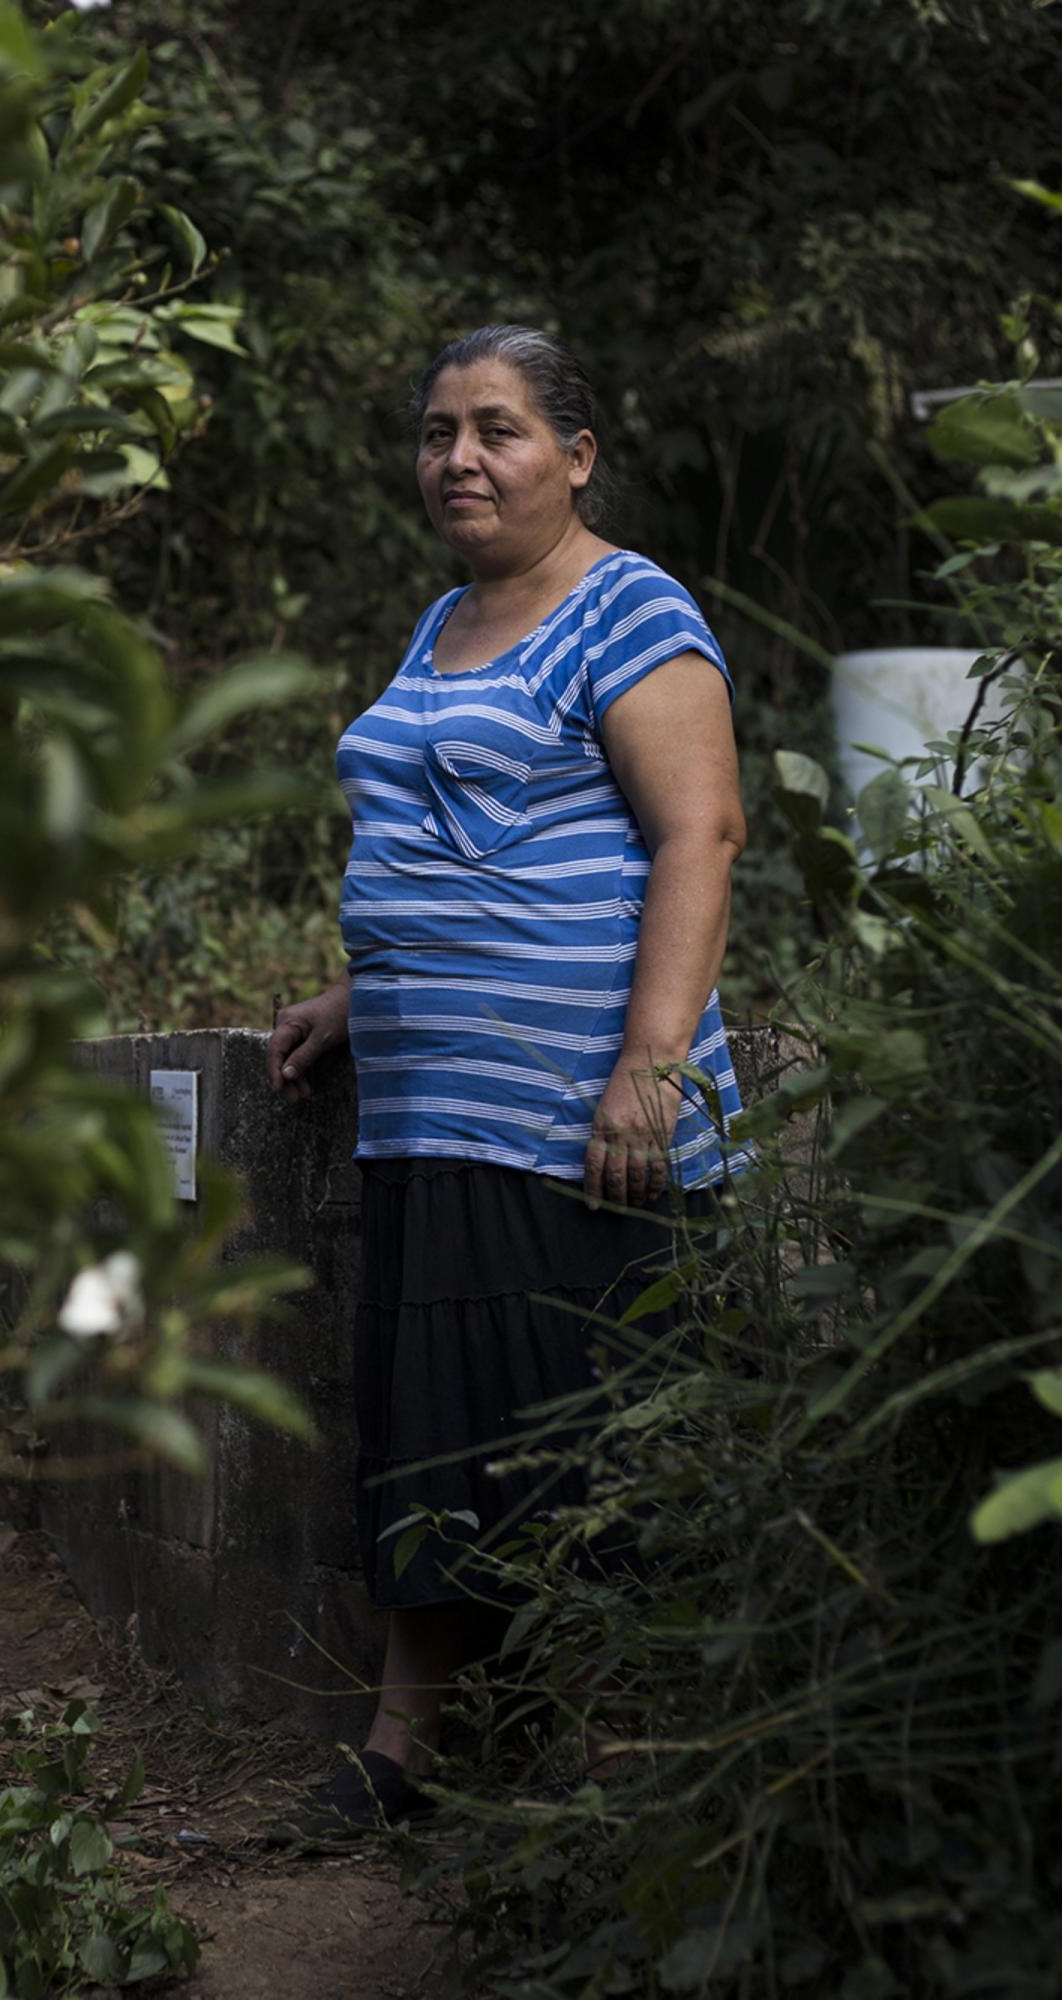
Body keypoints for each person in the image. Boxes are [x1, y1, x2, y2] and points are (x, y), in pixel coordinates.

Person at [264, 324, 749, 1842]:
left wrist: (647, 1072)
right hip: (426, 1112)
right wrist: (365, 987)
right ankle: (401, 1759)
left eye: (498, 429)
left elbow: (701, 836)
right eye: (435, 433)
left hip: (565, 1123)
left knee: (574, 1436)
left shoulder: (630, 609)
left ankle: (603, 1775)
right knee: (428, 1426)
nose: (459, 459)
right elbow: (451, 831)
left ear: (577, 455)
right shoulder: (447, 620)